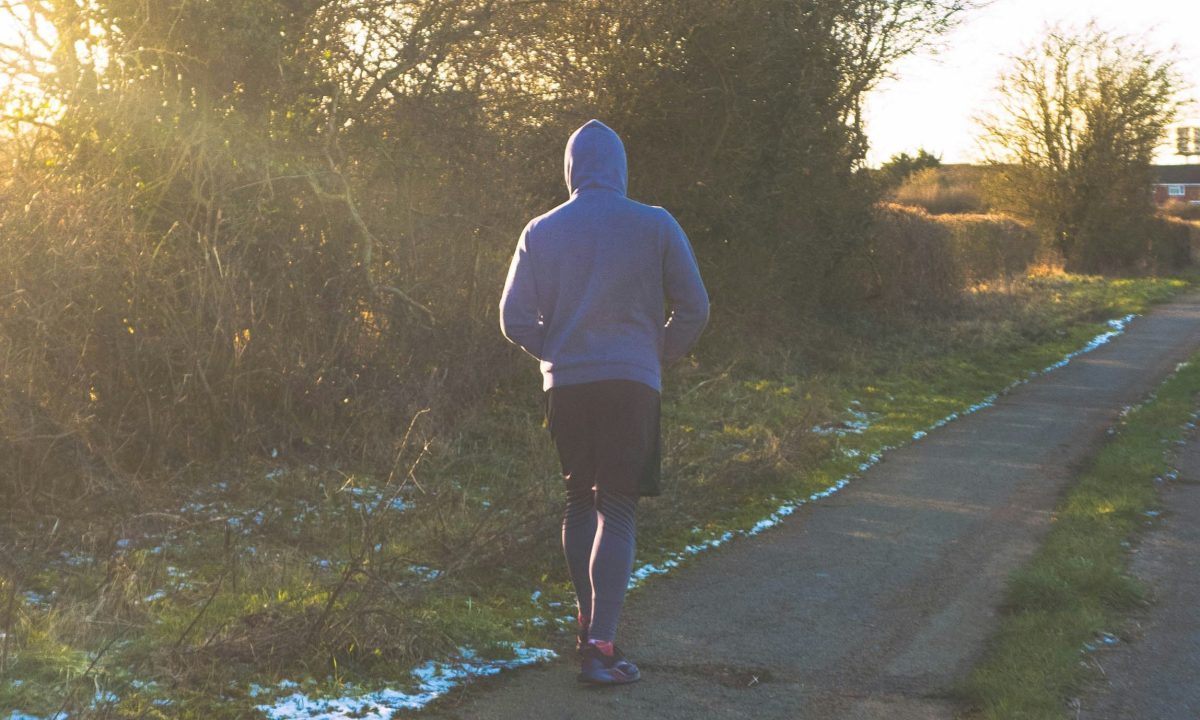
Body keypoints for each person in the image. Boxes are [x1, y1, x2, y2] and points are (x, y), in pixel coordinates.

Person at [499, 119, 709, 685]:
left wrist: (559, 352)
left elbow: (513, 318)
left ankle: (588, 626)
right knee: (616, 507)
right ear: (620, 166)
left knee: (578, 503)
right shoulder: (655, 224)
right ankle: (601, 647)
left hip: (566, 385)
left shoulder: (540, 230)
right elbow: (695, 306)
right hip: (631, 383)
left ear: (570, 168)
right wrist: (655, 354)